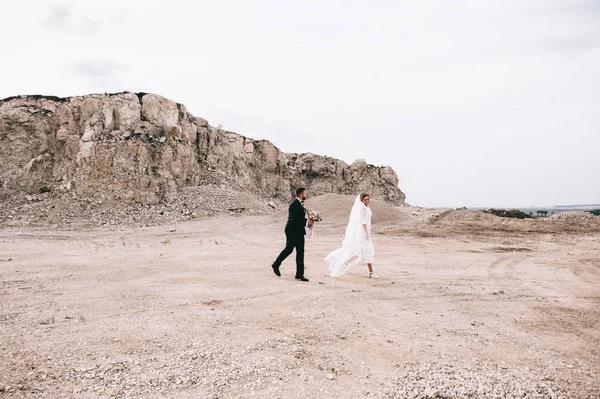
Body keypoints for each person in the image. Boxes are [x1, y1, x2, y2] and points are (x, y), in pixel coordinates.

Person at [325, 193, 377, 278]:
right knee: (368, 251)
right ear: (361, 201)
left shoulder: (366, 208)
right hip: (363, 233)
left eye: (368, 199)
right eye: (365, 200)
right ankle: (371, 273)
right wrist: (367, 234)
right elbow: (363, 223)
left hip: (364, 232)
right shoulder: (363, 209)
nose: (367, 201)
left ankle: (347, 262)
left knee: (360, 251)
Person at [271, 187, 314, 282]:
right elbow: (295, 219)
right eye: (305, 194)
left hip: (298, 230)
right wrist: (308, 222)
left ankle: (299, 274)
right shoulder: (294, 204)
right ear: (301, 194)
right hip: (292, 230)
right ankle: (276, 264)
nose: (306, 195)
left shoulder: (300, 204)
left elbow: (300, 218)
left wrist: (310, 220)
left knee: (300, 252)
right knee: (289, 249)